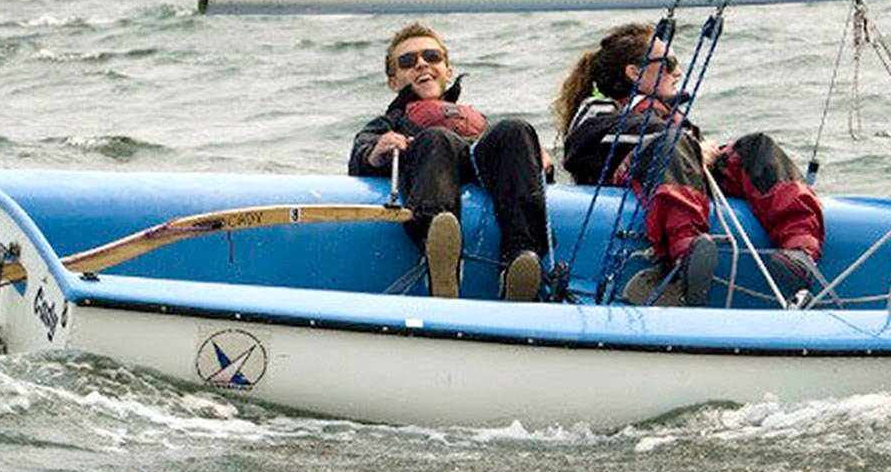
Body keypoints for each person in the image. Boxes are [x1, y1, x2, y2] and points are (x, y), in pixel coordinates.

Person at [554, 22, 825, 307]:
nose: (678, 72)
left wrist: (694, 146)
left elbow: (686, 144)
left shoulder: (668, 118)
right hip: (633, 177)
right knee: (671, 145)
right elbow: (592, 143)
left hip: (677, 166)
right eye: (668, 63)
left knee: (757, 147)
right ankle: (686, 255)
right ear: (634, 72)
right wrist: (686, 144)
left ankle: (800, 248)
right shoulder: (600, 109)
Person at [349, 23, 548, 301]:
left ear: (447, 71)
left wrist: (532, 154)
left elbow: (520, 167)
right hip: (432, 165)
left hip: (478, 159)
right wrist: (376, 150)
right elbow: (360, 154)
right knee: (438, 138)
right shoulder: (391, 122)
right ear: (394, 82)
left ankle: (520, 260)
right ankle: (441, 258)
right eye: (407, 62)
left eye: (432, 57)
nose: (421, 64)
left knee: (516, 129)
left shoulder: (478, 120)